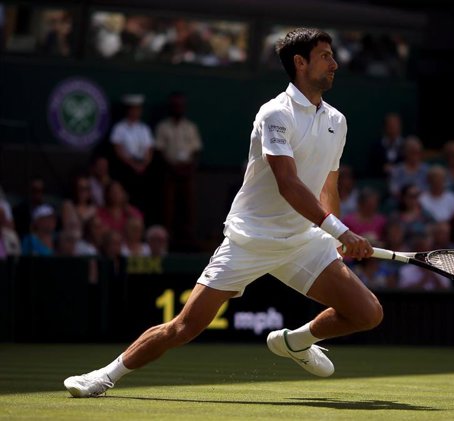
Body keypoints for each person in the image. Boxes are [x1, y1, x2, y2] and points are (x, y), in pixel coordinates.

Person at [64, 28, 382, 398]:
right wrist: (342, 231)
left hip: (304, 240)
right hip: (251, 238)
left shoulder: (337, 121)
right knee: (185, 327)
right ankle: (103, 376)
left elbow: (329, 187)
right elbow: (288, 184)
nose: (335, 64)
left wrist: (335, 236)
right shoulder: (275, 113)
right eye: (326, 55)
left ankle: (295, 342)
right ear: (300, 63)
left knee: (367, 313)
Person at [155, 92, 203, 249]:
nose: (178, 108)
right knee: (168, 208)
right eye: (175, 105)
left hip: (187, 173)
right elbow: (159, 151)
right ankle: (168, 241)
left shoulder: (190, 127)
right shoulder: (163, 127)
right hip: (169, 173)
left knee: (188, 208)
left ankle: (189, 242)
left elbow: (196, 150)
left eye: (180, 105)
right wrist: (173, 168)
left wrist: (188, 168)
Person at [110, 94, 154, 210]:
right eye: (133, 109)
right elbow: (118, 150)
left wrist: (144, 164)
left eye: (138, 109)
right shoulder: (119, 128)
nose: (136, 112)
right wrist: (133, 165)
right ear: (128, 110)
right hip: (126, 169)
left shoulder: (144, 129)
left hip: (142, 170)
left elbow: (149, 150)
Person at [367, 112, 404, 177]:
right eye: (390, 125)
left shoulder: (406, 146)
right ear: (385, 127)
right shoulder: (376, 147)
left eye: (395, 125)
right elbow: (372, 168)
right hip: (380, 181)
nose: (393, 128)